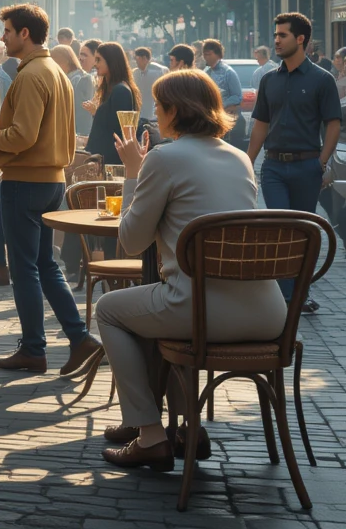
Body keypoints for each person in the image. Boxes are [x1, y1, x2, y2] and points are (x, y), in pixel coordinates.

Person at [96, 70, 287, 472]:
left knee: (110, 310)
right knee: (166, 312)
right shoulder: (238, 157)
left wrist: (133, 171)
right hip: (268, 313)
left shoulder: (165, 157)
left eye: (158, 106)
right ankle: (186, 428)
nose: (154, 114)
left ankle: (148, 433)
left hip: (202, 311)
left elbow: (131, 241)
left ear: (175, 111)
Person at [0, 4, 101, 376]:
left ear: (24, 33)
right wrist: (2, 126)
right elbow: (37, 129)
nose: (5, 37)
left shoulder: (30, 75)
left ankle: (33, 349)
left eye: (8, 31)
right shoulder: (54, 70)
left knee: (26, 267)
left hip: (26, 181)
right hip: (50, 179)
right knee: (45, 264)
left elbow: (24, 136)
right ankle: (79, 339)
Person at [247, 12, 341, 311]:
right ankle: (288, 296)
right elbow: (261, 123)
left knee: (303, 232)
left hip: (307, 166)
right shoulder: (269, 80)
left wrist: (321, 163)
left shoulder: (322, 80)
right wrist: (246, 161)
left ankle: (298, 291)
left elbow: (333, 124)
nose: (276, 40)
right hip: (273, 166)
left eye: (283, 35)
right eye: (275, 35)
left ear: (301, 39)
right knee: (280, 227)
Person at [85, 43, 141, 167]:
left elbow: (121, 132)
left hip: (109, 164)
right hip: (100, 161)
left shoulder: (121, 90)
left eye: (98, 60)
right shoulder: (112, 89)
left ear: (111, 61)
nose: (95, 64)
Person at [201, 39, 243, 145]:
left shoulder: (228, 72)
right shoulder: (206, 72)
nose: (206, 57)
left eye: (209, 54)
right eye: (204, 54)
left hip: (225, 119)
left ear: (218, 54)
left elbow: (237, 96)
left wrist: (219, 105)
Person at [50, 45, 93, 136]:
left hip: (78, 133)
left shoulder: (83, 79)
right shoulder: (65, 78)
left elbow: (83, 112)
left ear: (65, 61)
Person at [132, 48, 166, 121]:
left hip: (153, 114)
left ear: (144, 58)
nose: (135, 61)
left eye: (136, 58)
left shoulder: (158, 71)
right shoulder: (135, 72)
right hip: (140, 112)